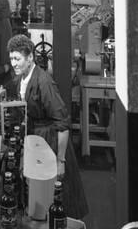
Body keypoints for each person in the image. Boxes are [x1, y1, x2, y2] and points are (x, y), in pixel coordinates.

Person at [6, 34, 88, 219]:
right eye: (11, 59)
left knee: (58, 197)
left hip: (50, 142)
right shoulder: (21, 79)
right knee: (40, 194)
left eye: (17, 59)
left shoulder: (44, 82)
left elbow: (63, 123)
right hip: (35, 139)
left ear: (30, 58)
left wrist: (60, 161)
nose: (14, 64)